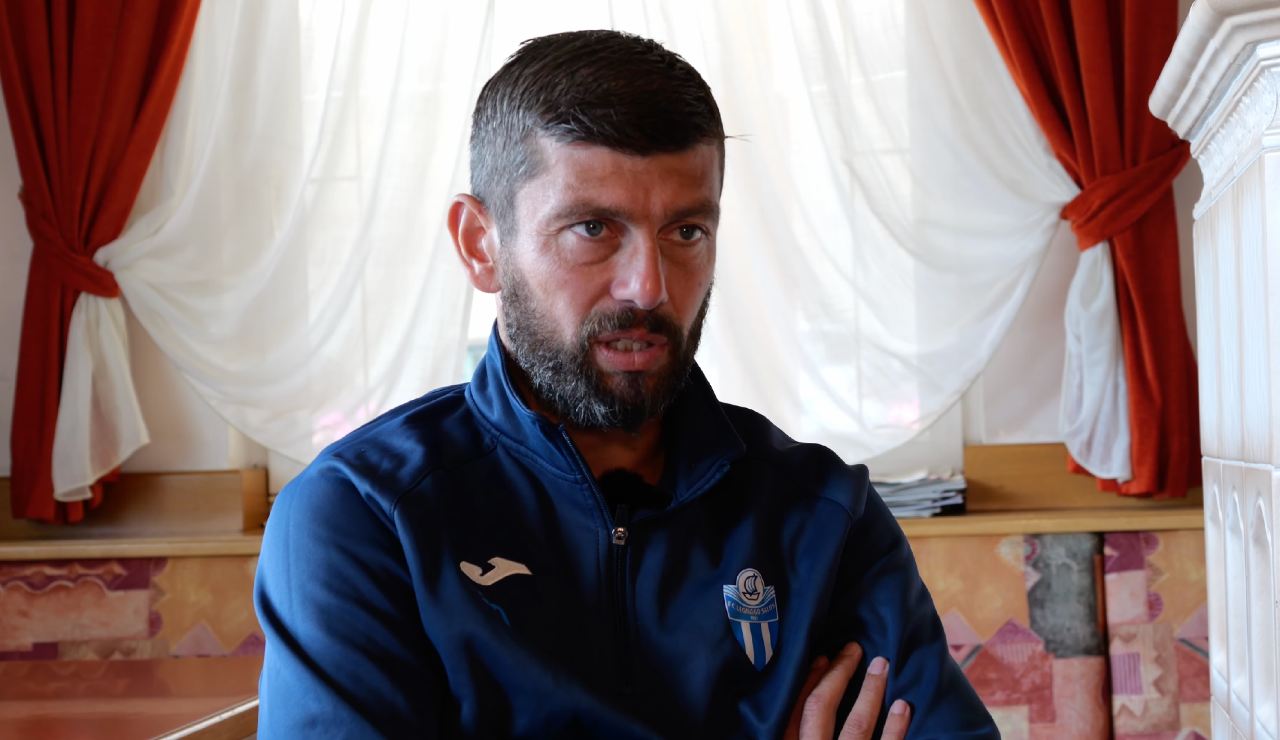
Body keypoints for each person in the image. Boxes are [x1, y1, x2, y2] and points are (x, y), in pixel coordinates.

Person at [254, 29, 998, 738]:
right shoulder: (365, 515)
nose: (648, 287)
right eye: (593, 229)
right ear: (481, 245)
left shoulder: (824, 515)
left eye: (686, 232)